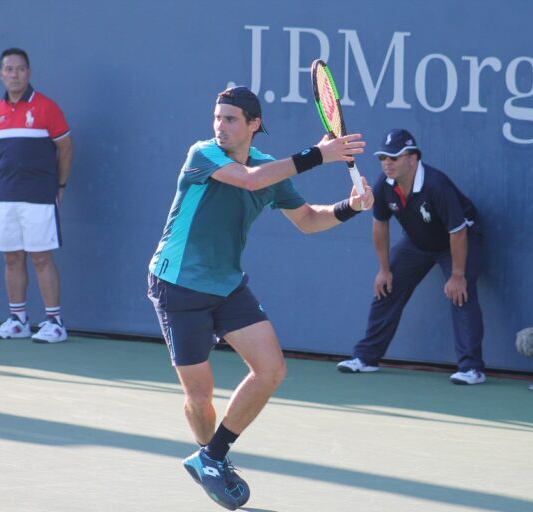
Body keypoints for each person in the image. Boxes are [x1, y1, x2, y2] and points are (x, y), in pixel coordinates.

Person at [147, 85, 372, 510]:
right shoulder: (203, 155)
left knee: (271, 369)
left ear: (254, 125)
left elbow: (307, 220)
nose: (220, 127)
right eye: (217, 118)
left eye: (231, 120)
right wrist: (317, 155)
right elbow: (250, 181)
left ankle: (211, 457)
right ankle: (211, 456)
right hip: (178, 286)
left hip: (227, 286)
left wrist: (351, 207)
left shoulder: (271, 169)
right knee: (200, 397)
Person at [336, 128, 486, 385]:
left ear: (413, 159)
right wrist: (384, 269)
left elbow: (458, 232)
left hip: (460, 239)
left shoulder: (436, 185)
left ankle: (471, 369)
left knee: (460, 293)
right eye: (383, 158)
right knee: (387, 286)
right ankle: (366, 358)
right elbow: (379, 224)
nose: (387, 163)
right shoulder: (385, 185)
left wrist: (457, 275)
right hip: (419, 241)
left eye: (394, 158)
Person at [0, 48, 73, 344]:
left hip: (39, 196)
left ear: (29, 73)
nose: (14, 74)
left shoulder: (47, 108)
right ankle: (18, 320)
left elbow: (66, 148)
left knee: (40, 258)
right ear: (1, 74)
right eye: (9, 69)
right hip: (6, 195)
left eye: (20, 69)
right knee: (11, 258)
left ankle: (55, 322)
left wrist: (59, 186)